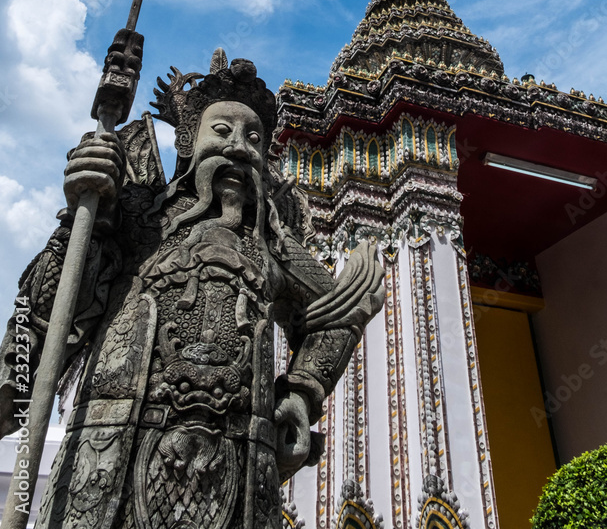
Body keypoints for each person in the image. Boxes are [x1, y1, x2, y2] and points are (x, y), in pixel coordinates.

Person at [0, 50, 384, 529]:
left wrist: (302, 393)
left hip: (237, 464)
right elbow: (55, 304)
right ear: (188, 139)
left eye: (254, 139)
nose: (239, 148)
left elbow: (341, 310)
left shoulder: (272, 246)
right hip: (107, 451)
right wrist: (86, 212)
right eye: (221, 131)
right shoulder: (138, 216)